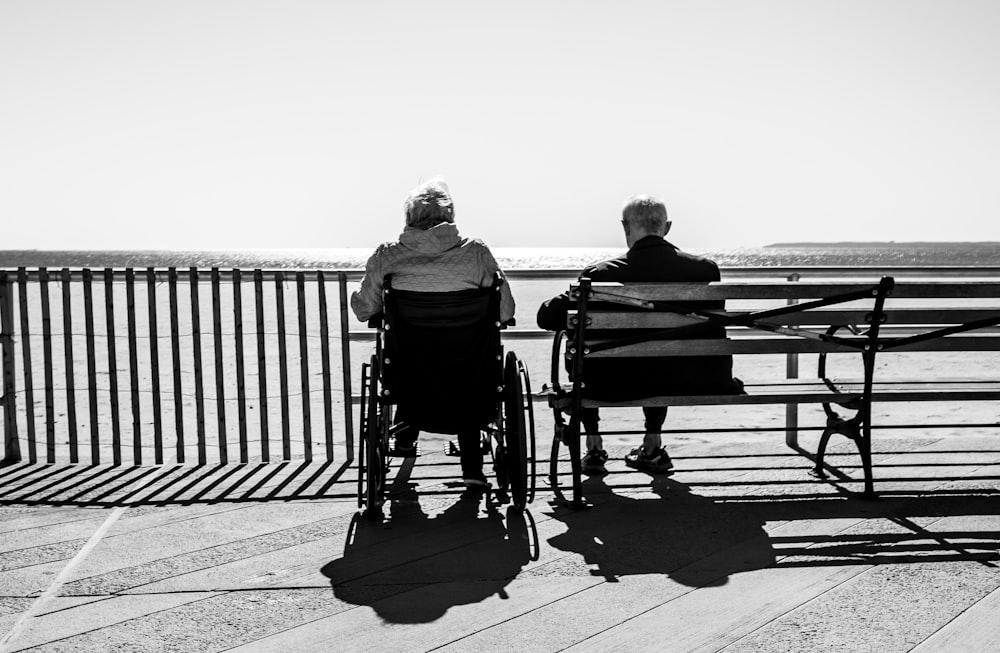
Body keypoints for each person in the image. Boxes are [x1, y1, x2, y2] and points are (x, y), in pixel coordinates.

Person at [536, 194, 741, 475]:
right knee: (664, 352)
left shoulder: (600, 274)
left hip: (611, 383)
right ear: (666, 227)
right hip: (691, 379)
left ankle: (593, 444)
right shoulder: (704, 270)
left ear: (625, 227)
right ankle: (653, 444)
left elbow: (546, 317)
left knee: (580, 343)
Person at [351, 178, 515, 488]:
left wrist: (357, 298)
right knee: (463, 361)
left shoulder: (388, 255)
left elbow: (364, 310)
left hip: (411, 374)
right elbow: (505, 311)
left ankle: (403, 439)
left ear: (409, 219)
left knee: (413, 354)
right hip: (471, 373)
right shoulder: (476, 252)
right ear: (450, 217)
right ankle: (472, 470)